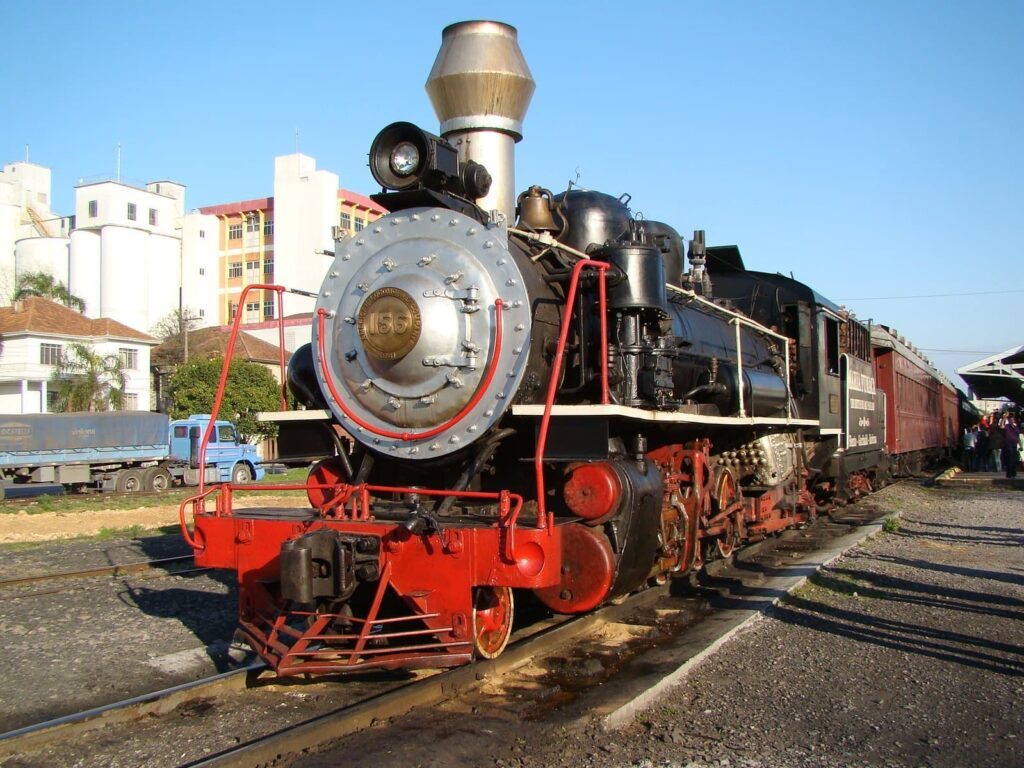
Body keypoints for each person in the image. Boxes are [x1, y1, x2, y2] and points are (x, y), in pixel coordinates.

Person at [1001, 413, 1020, 479]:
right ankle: (1009, 474)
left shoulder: (1016, 427)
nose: (1012, 421)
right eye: (1010, 420)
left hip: (1014, 444)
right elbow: (1001, 426)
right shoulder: (1007, 426)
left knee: (1014, 459)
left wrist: (1020, 445)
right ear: (1009, 420)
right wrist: (1004, 418)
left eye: (1012, 419)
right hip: (1008, 444)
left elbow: (1018, 436)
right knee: (1009, 459)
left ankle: (1013, 473)